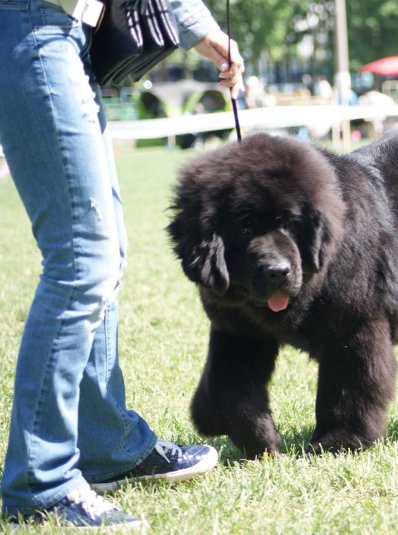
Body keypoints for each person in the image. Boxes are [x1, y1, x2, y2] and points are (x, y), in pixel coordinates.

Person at [0, 0, 244, 529]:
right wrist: (199, 27)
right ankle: (40, 482)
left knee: (102, 253)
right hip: (34, 26)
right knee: (83, 259)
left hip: (63, 35)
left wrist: (198, 28)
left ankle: (107, 446)